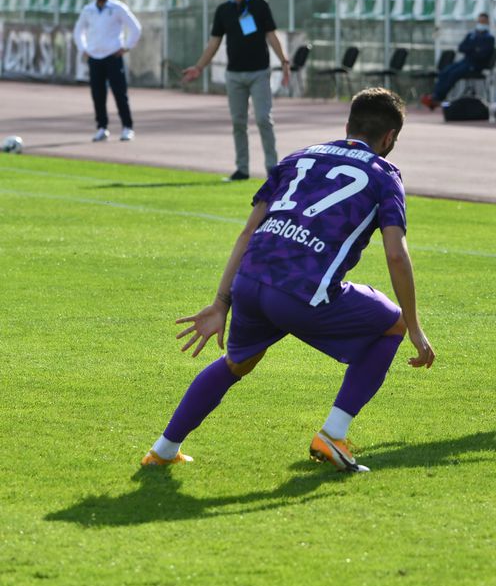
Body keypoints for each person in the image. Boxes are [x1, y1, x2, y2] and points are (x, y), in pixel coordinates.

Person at [140, 88, 435, 473]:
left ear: (347, 125)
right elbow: (396, 254)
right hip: (302, 290)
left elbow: (247, 232)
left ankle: (163, 449)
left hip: (250, 281)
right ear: (389, 138)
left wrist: (220, 302)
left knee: (237, 363)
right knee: (391, 323)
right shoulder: (384, 175)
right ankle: (333, 434)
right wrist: (414, 327)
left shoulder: (298, 157)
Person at [182, 0, 291, 181]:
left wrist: (284, 60)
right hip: (234, 74)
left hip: (259, 71)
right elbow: (214, 42)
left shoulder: (260, 6)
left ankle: (272, 168)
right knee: (238, 122)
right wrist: (199, 67)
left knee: (263, 119)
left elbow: (271, 35)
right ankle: (242, 169)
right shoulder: (223, 10)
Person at [73, 0, 142, 143]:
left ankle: (127, 127)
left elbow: (135, 27)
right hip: (95, 57)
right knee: (98, 94)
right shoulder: (88, 10)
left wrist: (126, 47)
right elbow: (78, 30)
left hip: (112, 56)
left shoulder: (117, 8)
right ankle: (102, 127)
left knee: (120, 93)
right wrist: (84, 49)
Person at [419, 13, 496, 109]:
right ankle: (435, 95)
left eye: (483, 22)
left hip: (476, 65)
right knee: (446, 71)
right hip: (465, 61)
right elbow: (461, 47)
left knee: (454, 74)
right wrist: (475, 49)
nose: (481, 24)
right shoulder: (471, 35)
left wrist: (471, 49)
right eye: (479, 21)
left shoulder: (489, 38)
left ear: (488, 23)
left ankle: (438, 98)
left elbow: (482, 55)